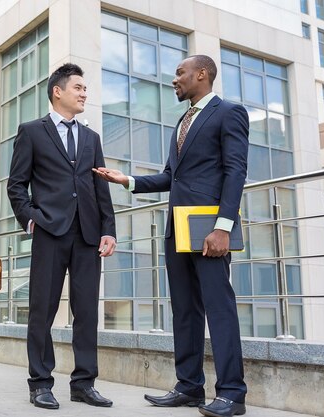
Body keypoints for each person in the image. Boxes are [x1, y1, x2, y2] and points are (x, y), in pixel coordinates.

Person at [94, 55, 248, 417]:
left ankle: (232, 393)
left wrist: (223, 227)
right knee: (184, 310)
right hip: (177, 229)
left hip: (209, 229)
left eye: (180, 73)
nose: (174, 80)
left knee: (219, 308)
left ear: (202, 74)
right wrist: (128, 180)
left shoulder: (229, 112)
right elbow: (169, 177)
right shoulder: (182, 121)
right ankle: (190, 386)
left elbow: (236, 171)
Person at [7, 63, 117, 410]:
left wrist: (108, 229)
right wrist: (31, 220)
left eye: (85, 89)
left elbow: (100, 186)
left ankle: (83, 383)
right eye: (79, 88)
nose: (85, 93)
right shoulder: (31, 132)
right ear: (58, 91)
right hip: (50, 234)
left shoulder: (91, 138)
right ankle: (40, 383)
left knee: (86, 313)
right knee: (42, 310)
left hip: (87, 234)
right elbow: (16, 186)